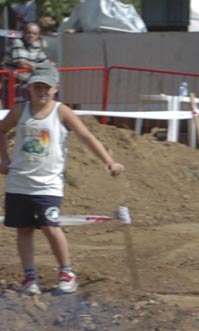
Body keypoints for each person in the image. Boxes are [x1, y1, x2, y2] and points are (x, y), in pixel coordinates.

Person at [1, 63, 125, 296]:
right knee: (24, 229)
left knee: (51, 227)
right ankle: (29, 276)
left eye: (46, 87)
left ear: (55, 88)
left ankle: (67, 273)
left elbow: (86, 136)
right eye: (37, 87)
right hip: (19, 182)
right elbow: (1, 129)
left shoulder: (62, 111)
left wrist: (108, 161)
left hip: (48, 184)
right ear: (29, 88)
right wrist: (4, 159)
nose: (42, 92)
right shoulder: (19, 110)